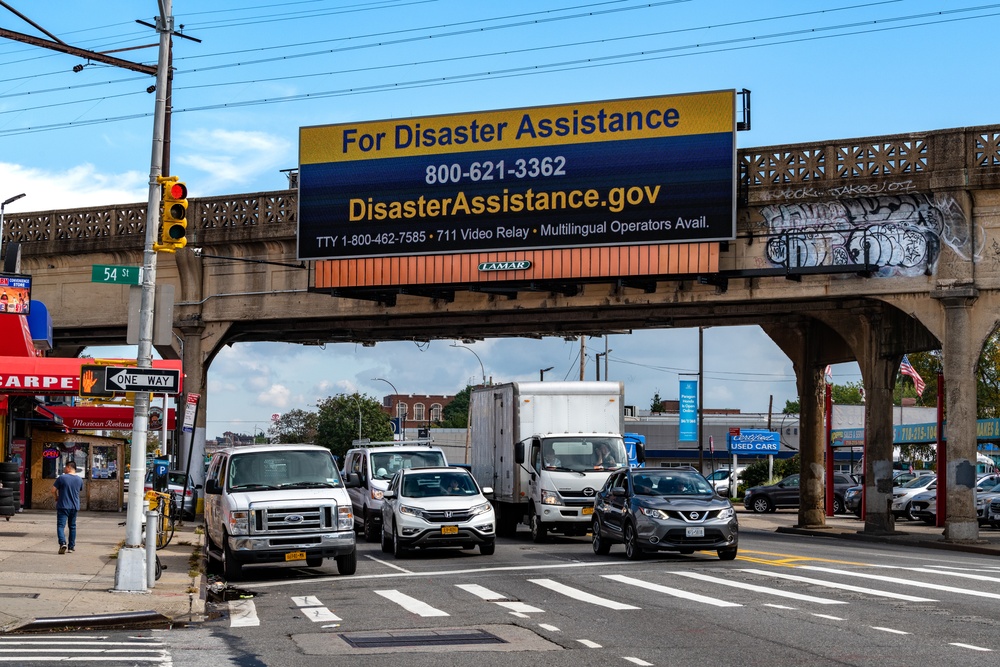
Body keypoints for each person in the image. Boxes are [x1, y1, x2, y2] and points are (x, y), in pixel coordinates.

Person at [52, 460, 83, 554]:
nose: (64, 469)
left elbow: (52, 490)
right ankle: (71, 547)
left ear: (69, 467)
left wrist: (56, 497)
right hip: (74, 506)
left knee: (61, 526)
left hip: (63, 505)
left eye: (65, 467)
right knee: (72, 526)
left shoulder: (62, 478)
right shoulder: (79, 479)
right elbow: (79, 490)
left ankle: (62, 543)